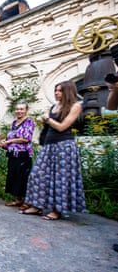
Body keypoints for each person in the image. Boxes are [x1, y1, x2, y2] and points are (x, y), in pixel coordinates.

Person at [20, 80, 86, 220]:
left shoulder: (76, 106)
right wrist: (45, 121)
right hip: (49, 146)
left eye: (60, 90)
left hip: (64, 146)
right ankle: (37, 206)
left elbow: (62, 127)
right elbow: (50, 125)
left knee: (60, 179)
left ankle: (57, 210)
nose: (57, 93)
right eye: (56, 90)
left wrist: (48, 120)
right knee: (37, 174)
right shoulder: (54, 107)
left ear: (68, 91)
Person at [1, 101, 35, 209]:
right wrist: (5, 141)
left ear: (26, 110)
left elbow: (26, 138)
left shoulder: (29, 122)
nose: (19, 111)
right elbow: (12, 136)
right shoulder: (14, 123)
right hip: (12, 154)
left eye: (21, 109)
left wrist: (10, 141)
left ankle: (27, 202)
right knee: (13, 176)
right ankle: (17, 200)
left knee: (23, 177)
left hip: (23, 154)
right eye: (17, 109)